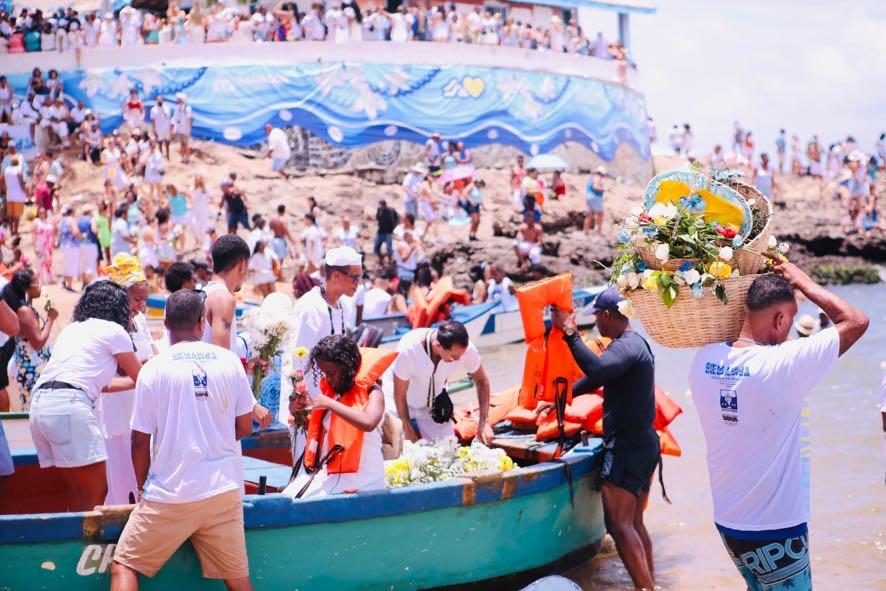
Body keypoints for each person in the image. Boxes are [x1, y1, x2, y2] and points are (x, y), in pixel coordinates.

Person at [688, 263, 868, 591]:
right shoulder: (780, 364)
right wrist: (804, 281)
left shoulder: (704, 358)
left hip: (729, 524)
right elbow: (856, 321)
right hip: (776, 529)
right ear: (781, 319)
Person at [110, 290, 255, 590]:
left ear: (165, 324)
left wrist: (142, 489)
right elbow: (244, 426)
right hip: (223, 492)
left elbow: (140, 441)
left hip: (171, 494)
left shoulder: (153, 369)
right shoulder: (230, 362)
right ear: (202, 323)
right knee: (238, 580)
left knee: (125, 565)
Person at [550, 288, 658, 591]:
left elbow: (597, 367)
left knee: (619, 525)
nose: (596, 323)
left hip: (627, 447)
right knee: (634, 523)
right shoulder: (632, 344)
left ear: (607, 315)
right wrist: (567, 394)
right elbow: (600, 377)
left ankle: (644, 588)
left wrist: (570, 333)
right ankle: (652, 584)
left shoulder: (626, 346)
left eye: (596, 316)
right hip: (644, 444)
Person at [28, 281, 142, 511]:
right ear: (118, 307)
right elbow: (142, 376)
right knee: (96, 493)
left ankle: (76, 545)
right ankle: (88, 547)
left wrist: (131, 382)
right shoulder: (114, 331)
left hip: (40, 406)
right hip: (70, 408)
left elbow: (95, 382)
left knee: (77, 495)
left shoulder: (73, 329)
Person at [284, 335, 386, 497]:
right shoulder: (333, 394)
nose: (328, 379)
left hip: (363, 480)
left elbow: (369, 422)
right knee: (287, 496)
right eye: (324, 373)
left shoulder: (373, 392)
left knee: (298, 501)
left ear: (347, 367)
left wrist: (330, 404)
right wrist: (301, 410)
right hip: (332, 475)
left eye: (331, 373)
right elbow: (327, 430)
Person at [97, 254, 153, 506]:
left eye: (145, 299)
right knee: (117, 460)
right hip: (115, 402)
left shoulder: (141, 322)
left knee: (141, 454)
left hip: (140, 401)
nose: (142, 305)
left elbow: (152, 352)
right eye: (137, 299)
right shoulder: (108, 325)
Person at [202, 234, 272, 428]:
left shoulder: (199, 295)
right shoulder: (224, 299)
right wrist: (251, 404)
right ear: (242, 265)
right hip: (215, 403)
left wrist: (244, 367)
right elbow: (220, 360)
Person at [392, 320, 492, 444]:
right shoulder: (408, 351)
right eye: (454, 357)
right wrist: (408, 430)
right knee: (403, 451)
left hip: (433, 405)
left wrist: (483, 422)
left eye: (461, 355)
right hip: (398, 403)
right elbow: (399, 395)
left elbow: (482, 381)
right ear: (438, 345)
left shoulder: (465, 350)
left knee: (448, 451)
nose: (459, 360)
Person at [3, 269, 57, 410]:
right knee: (31, 410)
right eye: (36, 282)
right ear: (27, 288)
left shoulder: (22, 307)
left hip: (26, 364)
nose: (39, 285)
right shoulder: (24, 312)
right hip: (29, 368)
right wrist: (51, 318)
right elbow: (38, 342)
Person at [3, 155, 27, 235]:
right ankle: (15, 230)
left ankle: (11, 231)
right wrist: (25, 191)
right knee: (17, 215)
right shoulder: (19, 170)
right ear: (18, 162)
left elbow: (2, 180)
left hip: (9, 195)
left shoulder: (6, 170)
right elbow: (21, 183)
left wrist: (5, 189)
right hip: (18, 195)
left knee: (10, 214)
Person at [374, 200, 398, 264]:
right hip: (381, 231)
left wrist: (393, 228)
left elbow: (396, 219)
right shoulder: (379, 210)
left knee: (389, 248)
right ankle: (381, 259)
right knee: (376, 247)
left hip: (388, 232)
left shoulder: (391, 210)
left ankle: (390, 260)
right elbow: (377, 218)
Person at [585, 166, 606, 235]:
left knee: (589, 215)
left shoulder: (591, 178)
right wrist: (605, 190)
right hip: (595, 197)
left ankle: (586, 231)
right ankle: (598, 231)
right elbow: (595, 187)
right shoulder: (598, 177)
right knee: (600, 214)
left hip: (588, 197)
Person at [171, 93, 192, 163]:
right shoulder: (177, 108)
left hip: (185, 130)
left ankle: (187, 158)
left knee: (186, 144)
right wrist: (175, 128)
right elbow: (175, 119)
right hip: (180, 129)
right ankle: (183, 158)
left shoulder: (187, 108)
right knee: (182, 144)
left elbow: (189, 120)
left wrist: (188, 130)